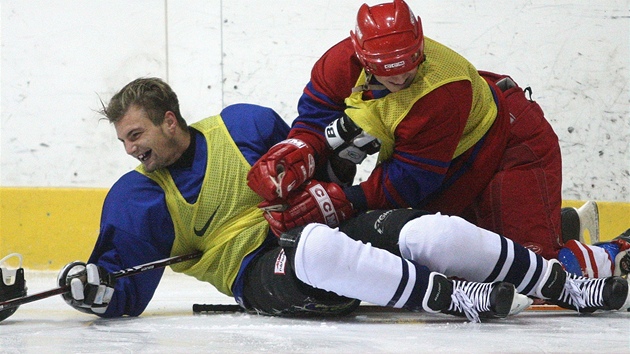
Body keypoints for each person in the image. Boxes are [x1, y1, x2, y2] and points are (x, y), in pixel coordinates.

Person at [55, 77, 629, 324]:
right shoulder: (138, 198)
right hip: (263, 272)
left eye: (136, 136)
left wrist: (336, 164)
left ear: (169, 120)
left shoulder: (243, 125)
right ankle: (455, 299)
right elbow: (121, 283)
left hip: (316, 231)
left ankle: (564, 283)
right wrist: (97, 292)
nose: (132, 151)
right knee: (313, 246)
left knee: (429, 232)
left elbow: (315, 171)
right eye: (125, 142)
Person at [246, 0, 629, 279]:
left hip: (511, 144)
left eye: (409, 63)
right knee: (450, 261)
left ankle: (616, 254)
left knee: (535, 274)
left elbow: (412, 181)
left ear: (420, 41)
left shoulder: (441, 91)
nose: (399, 79)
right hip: (458, 153)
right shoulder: (339, 63)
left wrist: (345, 201)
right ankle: (559, 225)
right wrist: (297, 148)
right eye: (386, 71)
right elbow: (314, 117)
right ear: (360, 55)